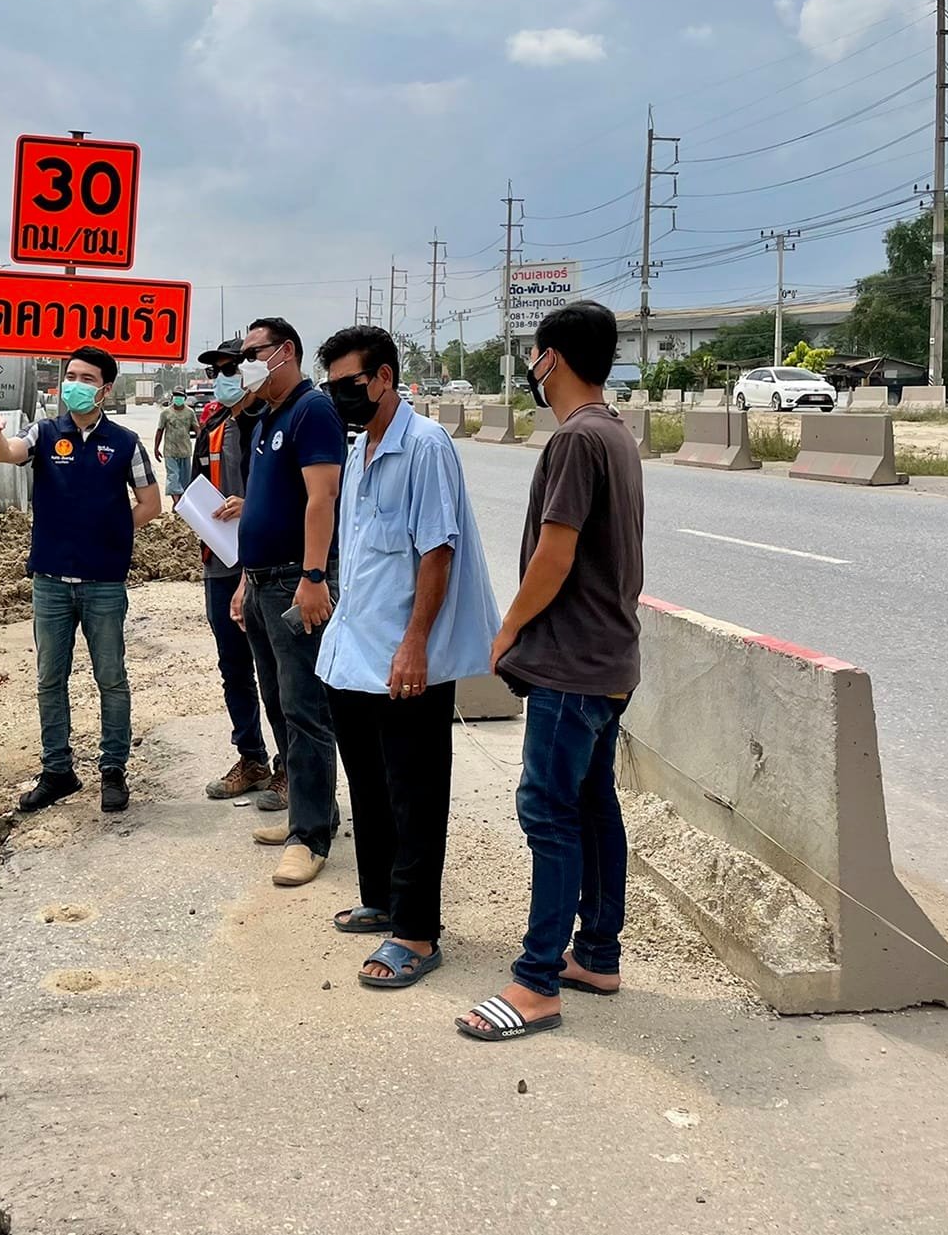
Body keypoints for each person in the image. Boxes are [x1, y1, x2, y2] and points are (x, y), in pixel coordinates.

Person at [458, 301, 644, 1043]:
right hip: (611, 658)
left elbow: (555, 553)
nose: (532, 369)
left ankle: (536, 982)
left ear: (553, 358)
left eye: (535, 356)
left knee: (548, 810)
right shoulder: (616, 434)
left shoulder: (574, 441)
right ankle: (596, 954)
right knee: (594, 804)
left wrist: (507, 631)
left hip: (571, 663)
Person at [313, 326, 500, 989]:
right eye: (331, 387)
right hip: (355, 651)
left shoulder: (424, 446)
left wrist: (416, 642)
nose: (340, 398)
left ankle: (416, 932)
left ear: (384, 377)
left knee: (415, 794)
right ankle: (383, 899)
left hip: (403, 657)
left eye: (350, 386)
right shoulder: (360, 448)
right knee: (369, 783)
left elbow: (436, 550)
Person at [0, 344, 161, 814]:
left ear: (104, 389)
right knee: (49, 678)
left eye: (85, 378)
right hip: (50, 582)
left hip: (104, 581)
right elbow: (9, 453)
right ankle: (57, 770)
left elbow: (150, 503)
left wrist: (112, 530)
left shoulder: (124, 443)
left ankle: (113, 770)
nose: (74, 385)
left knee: (111, 677)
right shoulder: (44, 432)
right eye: (70, 376)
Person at [232, 316, 347, 887]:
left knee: (306, 710)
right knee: (277, 701)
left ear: (288, 352)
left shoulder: (313, 410)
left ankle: (311, 838)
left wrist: (314, 575)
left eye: (256, 351)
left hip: (292, 582)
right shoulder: (266, 416)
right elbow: (263, 502)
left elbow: (322, 498)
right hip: (259, 581)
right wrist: (243, 581)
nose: (247, 361)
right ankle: (310, 808)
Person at [191, 337, 286, 802]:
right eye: (217, 371)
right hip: (220, 560)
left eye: (233, 368)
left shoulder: (273, 421)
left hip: (266, 562)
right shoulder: (212, 425)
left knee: (278, 668)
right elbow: (197, 485)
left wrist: (250, 509)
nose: (224, 378)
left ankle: (290, 764)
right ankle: (251, 756)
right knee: (235, 667)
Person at [154, 388, 197, 502]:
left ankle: (183, 502)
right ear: (172, 397)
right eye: (176, 396)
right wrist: (156, 448)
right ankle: (176, 502)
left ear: (184, 398)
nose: (178, 398)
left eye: (180, 396)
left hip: (185, 451)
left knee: (185, 479)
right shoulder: (165, 413)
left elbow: (197, 429)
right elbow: (160, 430)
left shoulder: (190, 413)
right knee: (173, 477)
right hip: (170, 451)